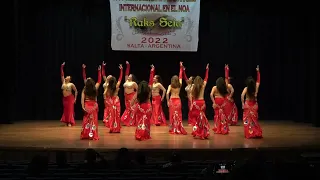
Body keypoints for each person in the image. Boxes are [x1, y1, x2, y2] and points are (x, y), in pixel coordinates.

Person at [80, 65, 101, 140]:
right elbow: (99, 81)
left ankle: (86, 134)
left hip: (87, 105)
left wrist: (83, 69)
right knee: (94, 120)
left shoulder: (84, 89)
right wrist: (99, 71)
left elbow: (82, 99)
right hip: (94, 105)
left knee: (86, 120)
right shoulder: (95, 88)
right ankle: (93, 134)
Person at [241, 65, 262, 138]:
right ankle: (255, 132)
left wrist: (243, 103)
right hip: (254, 105)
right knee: (254, 120)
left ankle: (249, 133)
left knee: (247, 120)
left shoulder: (246, 88)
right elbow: (258, 80)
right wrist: (258, 71)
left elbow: (242, 95)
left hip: (247, 105)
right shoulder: (255, 88)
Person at [166, 62, 187, 135]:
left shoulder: (170, 86)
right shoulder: (179, 85)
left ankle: (172, 127)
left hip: (172, 100)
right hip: (178, 100)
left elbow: (167, 93)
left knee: (172, 114)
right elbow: (181, 77)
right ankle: (178, 127)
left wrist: (168, 101)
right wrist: (181, 68)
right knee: (178, 114)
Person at [190, 64, 210, 139]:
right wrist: (207, 69)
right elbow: (206, 78)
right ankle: (203, 133)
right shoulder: (203, 86)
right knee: (202, 118)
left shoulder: (193, 87)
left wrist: (192, 104)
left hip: (195, 103)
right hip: (202, 103)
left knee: (195, 119)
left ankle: (196, 132)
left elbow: (191, 97)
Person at [104, 64, 123, 133]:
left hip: (111, 101)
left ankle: (111, 128)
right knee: (117, 115)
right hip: (117, 101)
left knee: (111, 115)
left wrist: (106, 99)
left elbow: (104, 94)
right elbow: (120, 78)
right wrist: (121, 70)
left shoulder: (108, 87)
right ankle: (117, 129)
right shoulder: (117, 85)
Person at [60, 62, 78, 126]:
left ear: (70, 79)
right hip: (64, 99)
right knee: (66, 110)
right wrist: (62, 67)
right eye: (67, 76)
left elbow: (76, 91)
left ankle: (70, 122)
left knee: (70, 110)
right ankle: (67, 121)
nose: (66, 77)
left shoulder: (71, 84)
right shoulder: (63, 82)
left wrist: (75, 99)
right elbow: (62, 74)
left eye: (68, 77)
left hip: (70, 98)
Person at [121, 61, 138, 126]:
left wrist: (135, 97)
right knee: (128, 109)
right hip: (126, 97)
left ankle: (131, 122)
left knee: (131, 109)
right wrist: (127, 66)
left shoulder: (134, 83)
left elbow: (138, 90)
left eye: (130, 75)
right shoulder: (126, 81)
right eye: (129, 75)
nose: (129, 76)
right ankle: (127, 121)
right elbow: (126, 74)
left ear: (132, 77)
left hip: (131, 96)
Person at [101, 61, 112, 127]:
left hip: (109, 97)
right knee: (106, 108)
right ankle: (106, 119)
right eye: (108, 76)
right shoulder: (105, 81)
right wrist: (103, 66)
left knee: (109, 108)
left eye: (109, 76)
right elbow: (103, 74)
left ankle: (109, 119)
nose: (108, 76)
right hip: (105, 97)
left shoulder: (110, 84)